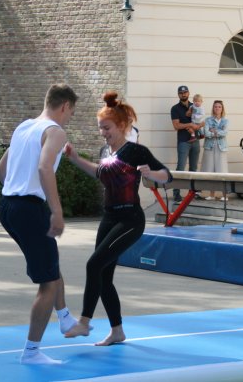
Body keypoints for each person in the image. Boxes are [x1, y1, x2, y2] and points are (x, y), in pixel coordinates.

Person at [64, 90, 172, 346]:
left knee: (93, 265)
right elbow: (99, 173)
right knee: (103, 275)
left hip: (130, 219)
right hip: (110, 217)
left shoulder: (136, 151)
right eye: (100, 128)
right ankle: (117, 331)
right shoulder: (106, 151)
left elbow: (167, 175)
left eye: (107, 127)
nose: (103, 132)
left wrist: (151, 174)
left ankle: (84, 322)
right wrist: (75, 158)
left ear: (122, 125)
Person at [0, 83, 80, 365]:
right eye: (71, 112)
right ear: (65, 106)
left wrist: (17, 190)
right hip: (28, 209)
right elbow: (45, 168)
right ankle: (31, 352)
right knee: (48, 284)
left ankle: (65, 318)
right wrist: (56, 211)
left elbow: (1, 170)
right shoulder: (55, 131)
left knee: (49, 263)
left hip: (8, 206)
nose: (69, 118)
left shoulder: (24, 127)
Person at [171, 85, 203, 203]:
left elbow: (201, 120)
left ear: (188, 93)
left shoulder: (195, 105)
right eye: (181, 93)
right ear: (178, 94)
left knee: (193, 168)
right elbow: (176, 126)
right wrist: (190, 125)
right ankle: (176, 194)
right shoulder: (175, 108)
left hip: (196, 140)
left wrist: (199, 126)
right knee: (180, 168)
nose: (183, 94)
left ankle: (193, 193)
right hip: (183, 141)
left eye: (185, 92)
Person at [201, 100, 229, 201]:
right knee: (210, 170)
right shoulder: (208, 120)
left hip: (221, 148)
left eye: (219, 107)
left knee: (222, 170)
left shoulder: (225, 121)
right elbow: (206, 133)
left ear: (222, 109)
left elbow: (225, 132)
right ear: (213, 108)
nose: (217, 108)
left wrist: (213, 131)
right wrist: (217, 132)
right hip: (209, 147)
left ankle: (224, 195)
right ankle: (212, 195)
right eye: (215, 107)